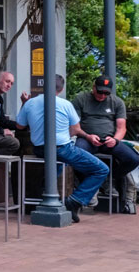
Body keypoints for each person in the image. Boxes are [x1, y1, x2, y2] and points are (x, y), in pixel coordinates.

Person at [15, 74, 109, 223]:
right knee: (101, 169)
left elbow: (20, 126)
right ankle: (75, 201)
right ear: (61, 89)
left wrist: (24, 104)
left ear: (43, 87)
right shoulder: (65, 104)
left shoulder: (30, 103)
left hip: (39, 149)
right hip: (62, 148)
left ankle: (49, 196)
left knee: (59, 164)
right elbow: (76, 129)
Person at [71, 76, 139, 214]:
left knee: (133, 159)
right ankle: (91, 184)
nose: (102, 96)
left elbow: (122, 128)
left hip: (109, 140)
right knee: (77, 154)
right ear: (93, 87)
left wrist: (115, 140)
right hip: (87, 138)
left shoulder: (117, 102)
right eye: (100, 92)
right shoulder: (81, 99)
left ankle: (109, 178)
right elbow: (74, 126)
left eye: (106, 93)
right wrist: (87, 136)